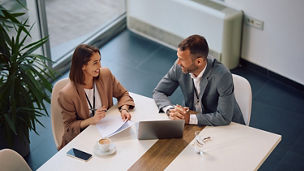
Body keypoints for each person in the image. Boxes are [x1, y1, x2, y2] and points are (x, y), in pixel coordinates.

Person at [153, 35, 244, 126]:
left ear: (199, 62)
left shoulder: (222, 75)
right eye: (178, 57)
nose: (178, 63)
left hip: (225, 126)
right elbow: (159, 91)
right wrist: (170, 110)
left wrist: (189, 119)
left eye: (182, 59)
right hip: (194, 122)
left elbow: (224, 117)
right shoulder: (179, 67)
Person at [58, 44, 135, 149]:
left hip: (108, 132)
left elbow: (123, 94)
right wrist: (91, 120)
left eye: (99, 60)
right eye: (95, 63)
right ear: (82, 66)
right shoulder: (67, 94)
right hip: (84, 138)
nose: (99, 66)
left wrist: (124, 109)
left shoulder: (105, 75)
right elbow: (69, 127)